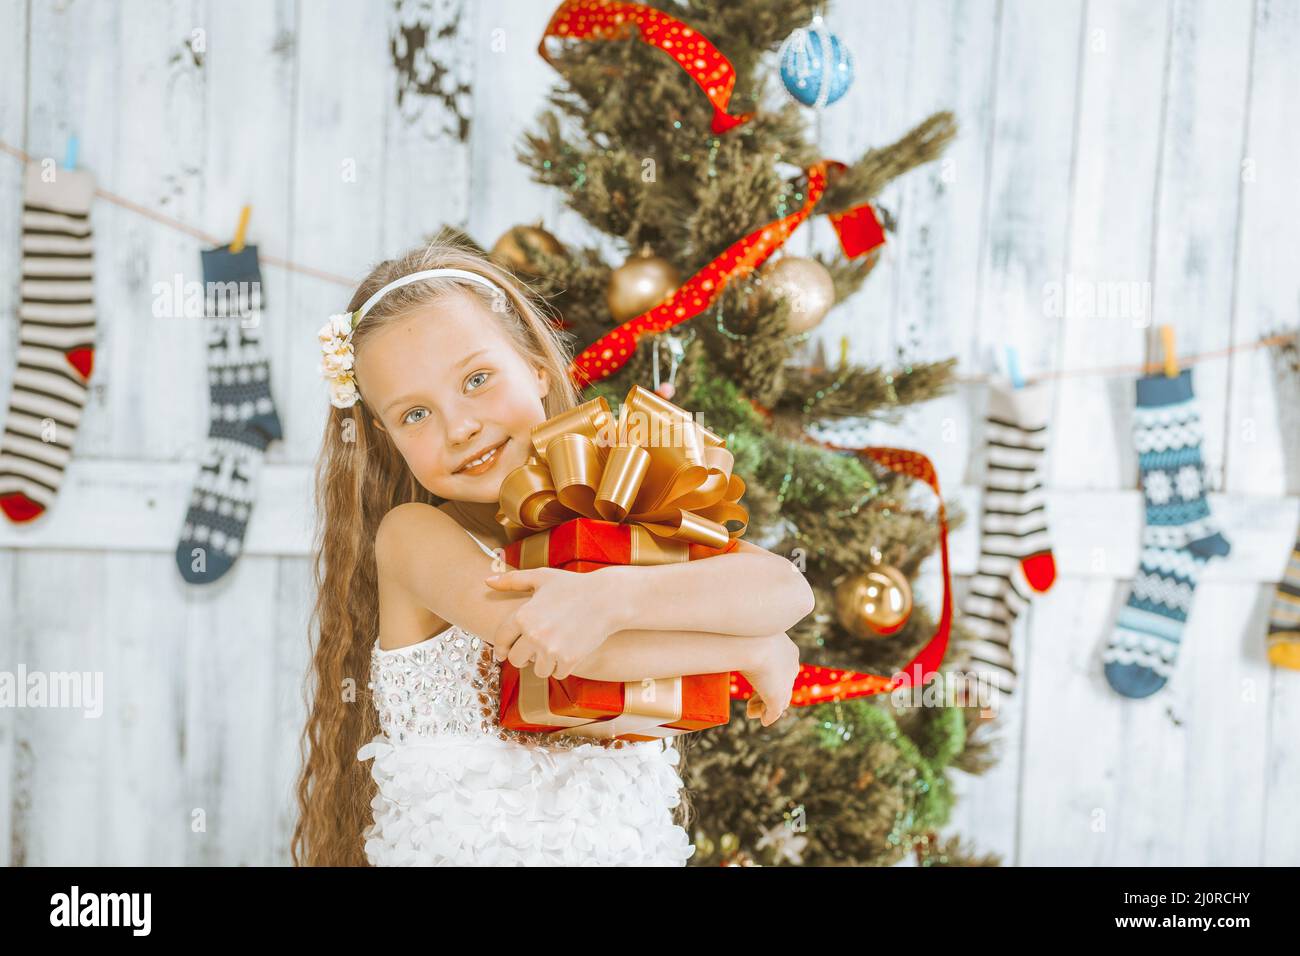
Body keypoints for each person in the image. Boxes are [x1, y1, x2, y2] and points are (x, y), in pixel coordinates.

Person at [291, 233, 811, 866]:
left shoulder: (618, 501)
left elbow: (785, 589)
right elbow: (569, 655)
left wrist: (614, 594)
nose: (459, 427)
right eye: (415, 415)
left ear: (537, 366)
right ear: (384, 433)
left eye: (477, 379)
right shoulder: (414, 538)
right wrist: (749, 648)